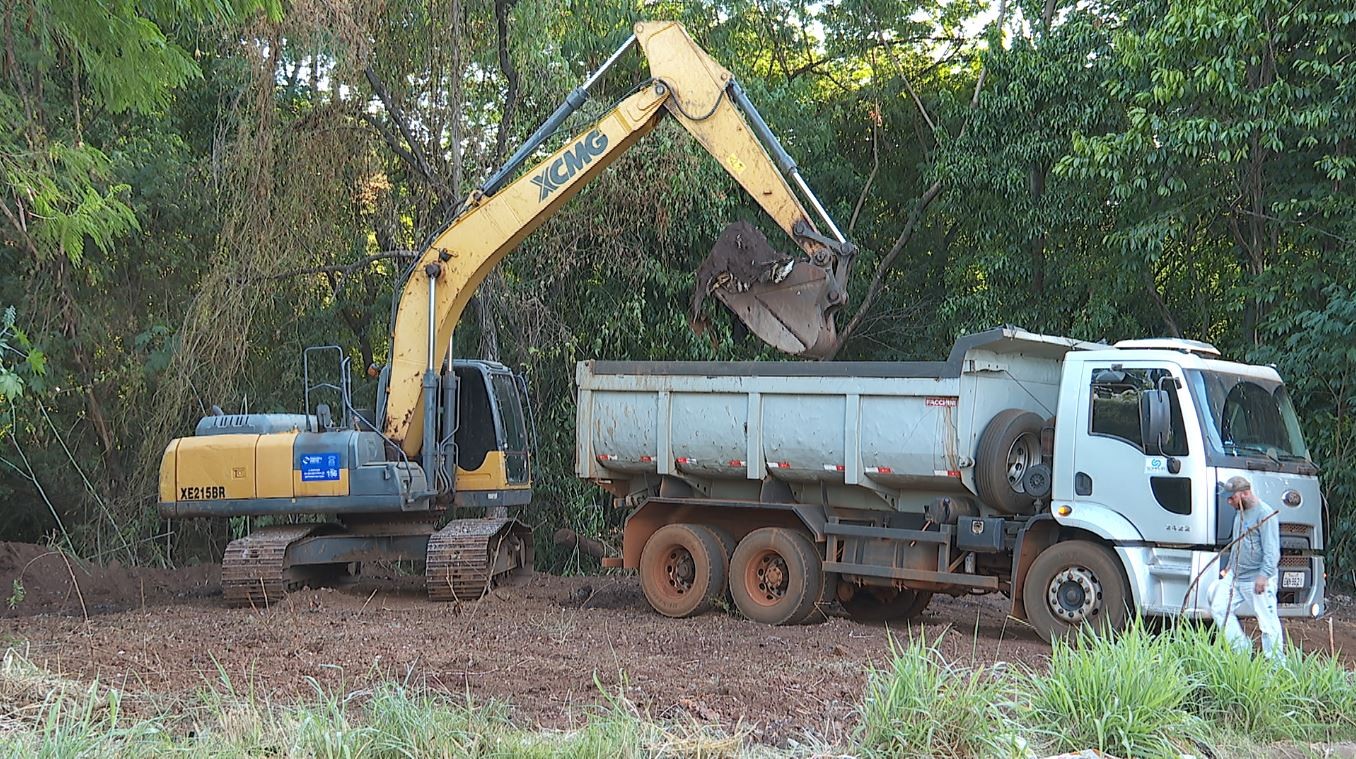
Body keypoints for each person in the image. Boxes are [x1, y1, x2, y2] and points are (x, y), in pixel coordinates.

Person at [1208, 475, 1283, 659]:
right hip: (1236, 576)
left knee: (1267, 623)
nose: (1229, 501)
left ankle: (1276, 665)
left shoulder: (1264, 514)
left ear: (1245, 493)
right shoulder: (1239, 512)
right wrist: (1229, 567)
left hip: (1256, 578)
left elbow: (1272, 551)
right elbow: (1237, 543)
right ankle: (1242, 651)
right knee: (1219, 608)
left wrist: (1264, 576)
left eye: (1232, 497)